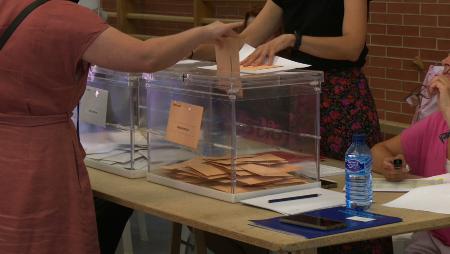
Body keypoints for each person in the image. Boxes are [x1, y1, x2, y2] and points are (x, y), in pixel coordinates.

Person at [0, 1, 241, 253]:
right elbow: (145, 56)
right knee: (44, 238)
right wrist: (204, 32)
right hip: (40, 157)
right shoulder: (65, 16)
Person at [194, 0, 381, 161]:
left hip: (341, 96)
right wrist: (191, 46)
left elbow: (352, 47)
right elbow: (246, 42)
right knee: (304, 169)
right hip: (303, 91)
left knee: (348, 171)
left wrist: (294, 40)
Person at [371, 74, 450, 254]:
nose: (444, 64)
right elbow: (378, 150)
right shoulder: (437, 121)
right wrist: (389, 166)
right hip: (433, 235)